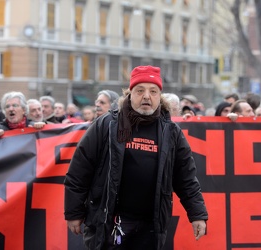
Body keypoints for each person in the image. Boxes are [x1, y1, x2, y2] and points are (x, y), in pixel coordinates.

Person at [64, 65, 208, 249]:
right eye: (140, 90)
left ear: (159, 96)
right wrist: (74, 213)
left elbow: (186, 178)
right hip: (111, 221)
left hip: (151, 224)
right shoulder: (106, 125)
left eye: (153, 91)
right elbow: (79, 171)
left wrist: (197, 214)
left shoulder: (171, 132)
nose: (147, 96)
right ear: (130, 93)